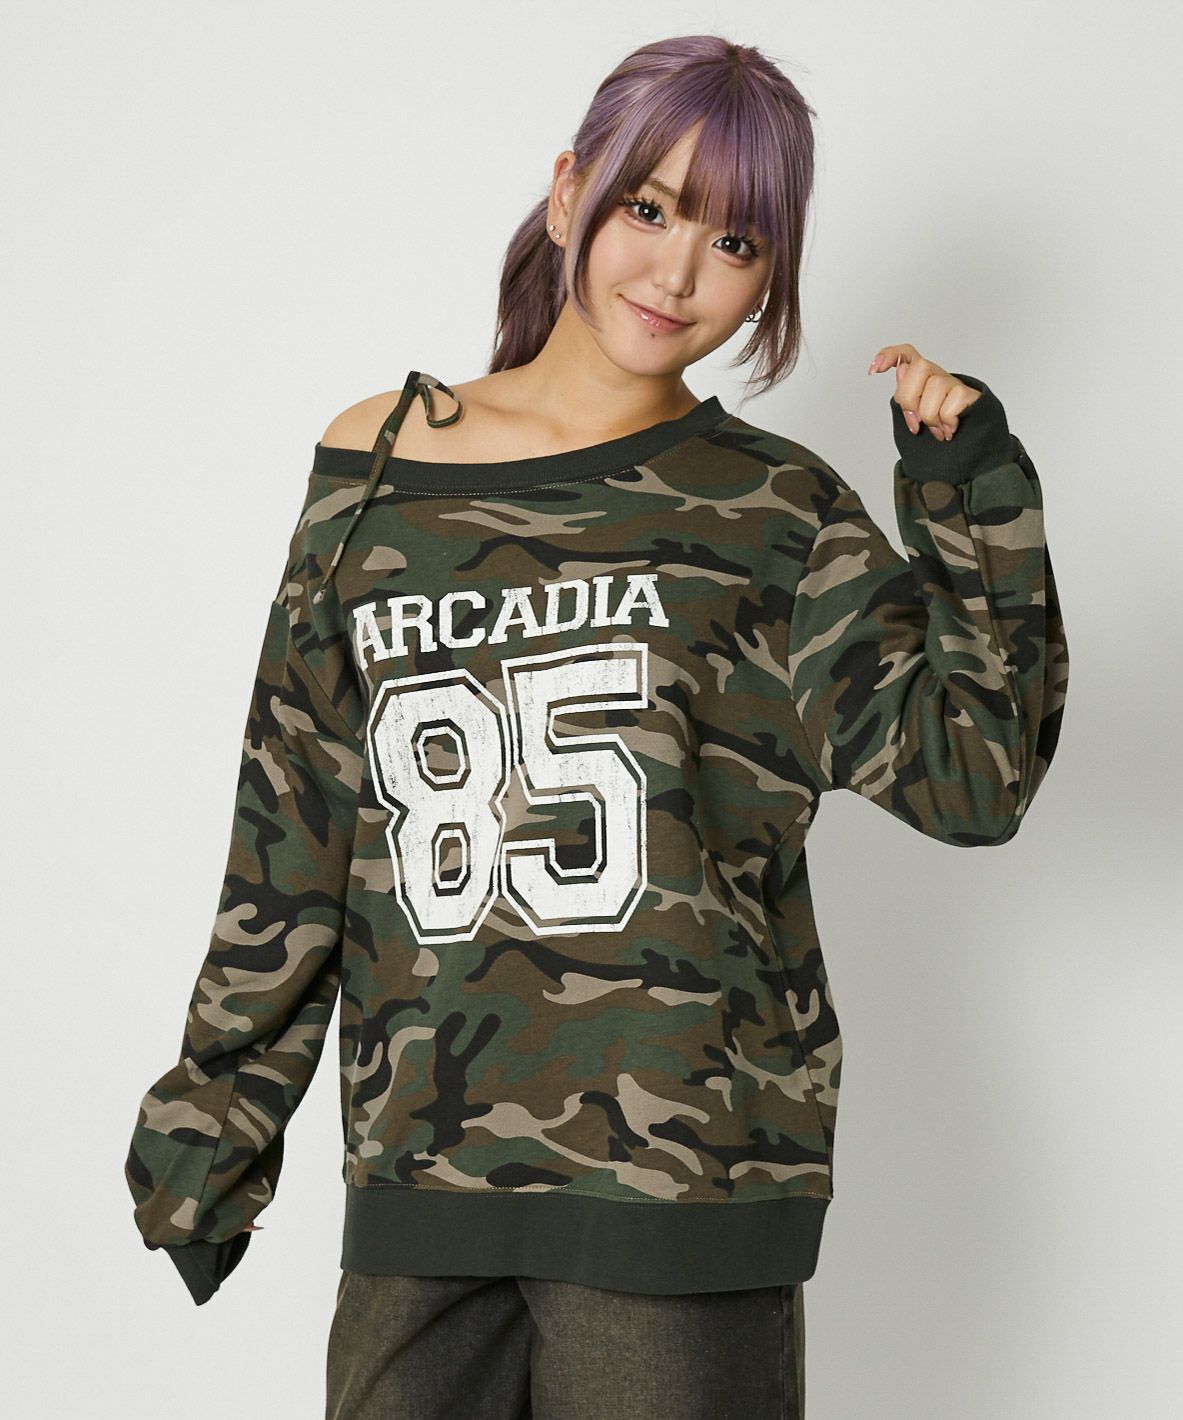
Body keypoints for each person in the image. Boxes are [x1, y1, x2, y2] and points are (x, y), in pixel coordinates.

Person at [123, 32, 1069, 1420]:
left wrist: (968, 494)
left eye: (735, 241)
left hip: (683, 1197)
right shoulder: (378, 468)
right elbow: (296, 817)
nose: (678, 273)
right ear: (569, 190)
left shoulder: (775, 514)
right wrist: (216, 1116)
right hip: (421, 1184)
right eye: (649, 207)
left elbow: (973, 779)